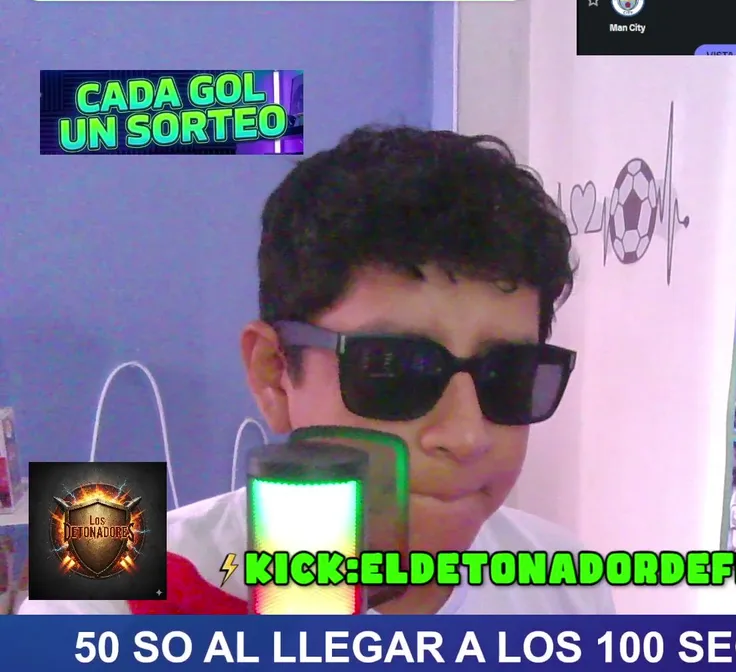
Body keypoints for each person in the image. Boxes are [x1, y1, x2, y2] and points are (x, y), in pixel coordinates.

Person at [21, 127, 615, 616]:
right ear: (274, 373)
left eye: (509, 374)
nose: (466, 436)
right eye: (395, 370)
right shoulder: (105, 591)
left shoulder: (567, 589)